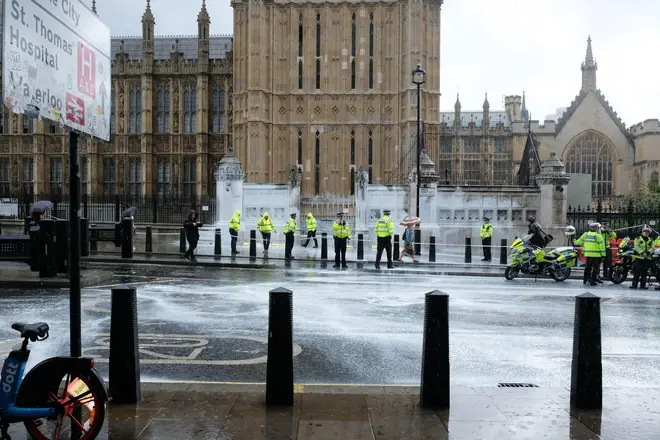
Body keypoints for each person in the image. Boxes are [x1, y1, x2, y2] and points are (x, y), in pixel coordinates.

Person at [631, 225, 653, 289]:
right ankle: (634, 284)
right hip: (639, 258)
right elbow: (636, 247)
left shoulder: (651, 240)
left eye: (647, 232)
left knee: (644, 272)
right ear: (642, 232)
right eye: (645, 231)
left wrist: (648, 252)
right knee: (637, 272)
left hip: (647, 258)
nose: (646, 233)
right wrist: (642, 253)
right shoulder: (637, 239)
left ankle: (643, 285)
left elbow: (652, 247)